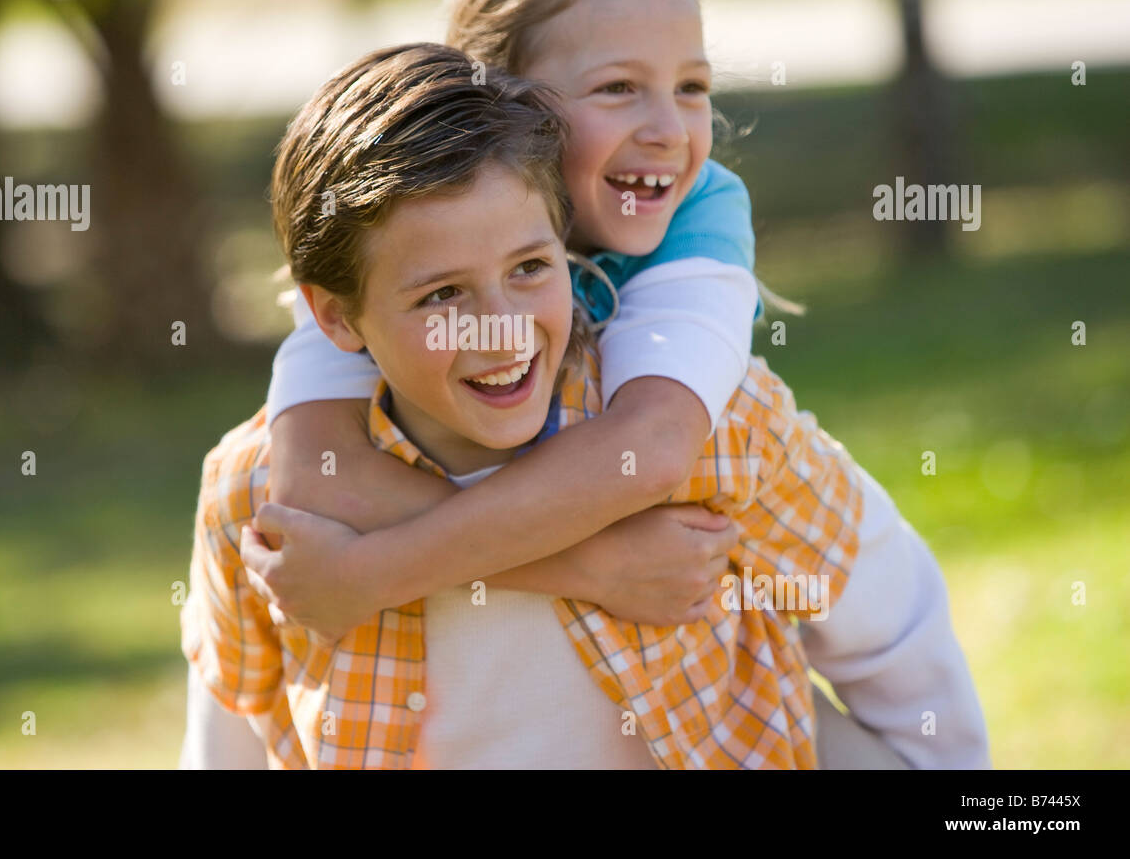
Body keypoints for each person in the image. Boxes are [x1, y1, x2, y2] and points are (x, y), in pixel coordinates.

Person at [179, 43, 988, 769]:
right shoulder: (260, 506)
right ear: (333, 316)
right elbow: (232, 739)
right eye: (442, 295)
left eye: (530, 268)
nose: (502, 330)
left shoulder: (715, 436)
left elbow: (888, 614)